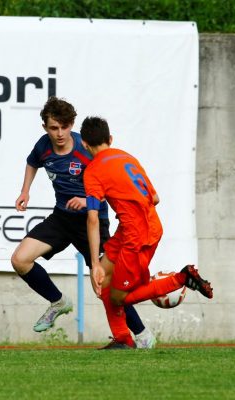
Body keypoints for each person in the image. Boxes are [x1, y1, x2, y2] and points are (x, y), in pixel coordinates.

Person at [11, 97, 156, 349]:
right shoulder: (43, 146)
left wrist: (84, 198)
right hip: (62, 217)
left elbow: (104, 181)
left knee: (105, 283)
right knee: (19, 259)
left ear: (72, 125)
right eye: (53, 128)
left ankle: (141, 335)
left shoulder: (85, 149)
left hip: (92, 220)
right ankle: (58, 302)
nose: (59, 133)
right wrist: (25, 191)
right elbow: (32, 162)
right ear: (45, 127)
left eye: (64, 127)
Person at [80, 115, 214, 348]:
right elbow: (155, 197)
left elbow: (92, 218)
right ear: (110, 138)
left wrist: (94, 263)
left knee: (118, 297)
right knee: (104, 282)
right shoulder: (127, 157)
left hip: (137, 236)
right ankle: (122, 340)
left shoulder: (93, 171)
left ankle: (181, 278)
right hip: (137, 227)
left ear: (84, 144)